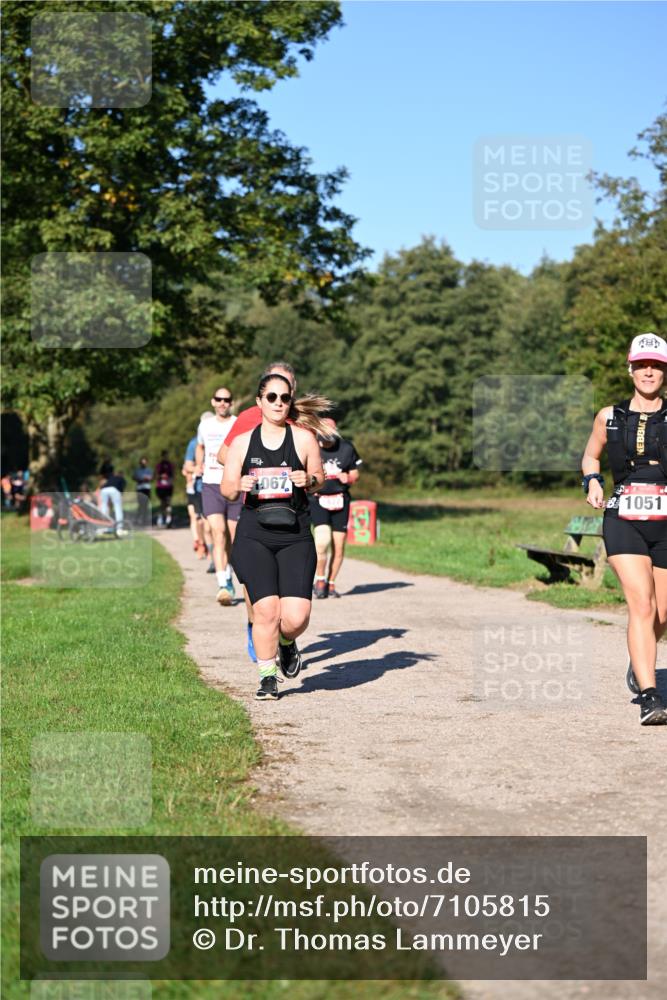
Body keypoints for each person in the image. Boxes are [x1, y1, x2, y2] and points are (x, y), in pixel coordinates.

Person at [221, 373, 329, 700]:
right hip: (254, 533)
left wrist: (307, 479)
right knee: (266, 611)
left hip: (295, 533)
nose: (278, 403)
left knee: (295, 618)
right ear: (259, 402)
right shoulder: (242, 442)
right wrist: (237, 485)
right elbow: (226, 489)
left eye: (284, 398)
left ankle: (286, 642)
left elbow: (320, 479)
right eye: (272, 397)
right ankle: (267, 677)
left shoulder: (303, 439)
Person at [582, 332, 667, 726]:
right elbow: (590, 455)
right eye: (642, 365)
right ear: (630, 368)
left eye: (657, 366)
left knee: (662, 612)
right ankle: (651, 696)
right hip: (624, 520)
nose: (649, 371)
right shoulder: (609, 416)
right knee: (642, 604)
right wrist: (593, 480)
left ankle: (639, 661)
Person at [217, 361, 297, 660]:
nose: (280, 400)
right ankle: (255, 626)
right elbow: (224, 454)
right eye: (273, 392)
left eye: (287, 391)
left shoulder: (299, 420)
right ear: (263, 393)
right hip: (258, 511)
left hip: (293, 515)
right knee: (260, 584)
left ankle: (286, 636)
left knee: (289, 593)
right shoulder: (251, 417)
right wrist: (248, 473)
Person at [309, 418, 362, 598]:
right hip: (318, 500)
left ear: (335, 431)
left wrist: (349, 477)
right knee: (322, 541)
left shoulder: (346, 448)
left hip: (340, 500)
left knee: (338, 547)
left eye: (328, 431)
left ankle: (331, 583)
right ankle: (320, 579)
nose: (325, 436)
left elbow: (355, 473)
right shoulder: (312, 447)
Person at [195, 387, 239, 605]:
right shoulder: (205, 425)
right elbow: (200, 447)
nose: (222, 403)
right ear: (213, 402)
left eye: (226, 400)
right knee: (218, 531)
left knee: (232, 535)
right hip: (211, 484)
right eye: (219, 399)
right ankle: (223, 583)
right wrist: (198, 464)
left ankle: (228, 574)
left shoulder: (238, 423)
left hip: (233, 484)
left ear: (231, 402)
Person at [183, 419, 208, 559]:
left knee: (207, 522)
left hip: (215, 485)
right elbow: (186, 467)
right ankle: (200, 543)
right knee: (197, 518)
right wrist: (196, 469)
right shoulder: (193, 444)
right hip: (195, 487)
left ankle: (209, 547)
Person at [155, 451, 174, 527]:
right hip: (160, 487)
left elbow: (173, 476)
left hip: (168, 487)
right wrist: (161, 476)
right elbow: (155, 476)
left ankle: (169, 519)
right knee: (162, 503)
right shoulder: (159, 465)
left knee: (168, 503)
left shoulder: (170, 465)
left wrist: (169, 478)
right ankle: (160, 518)